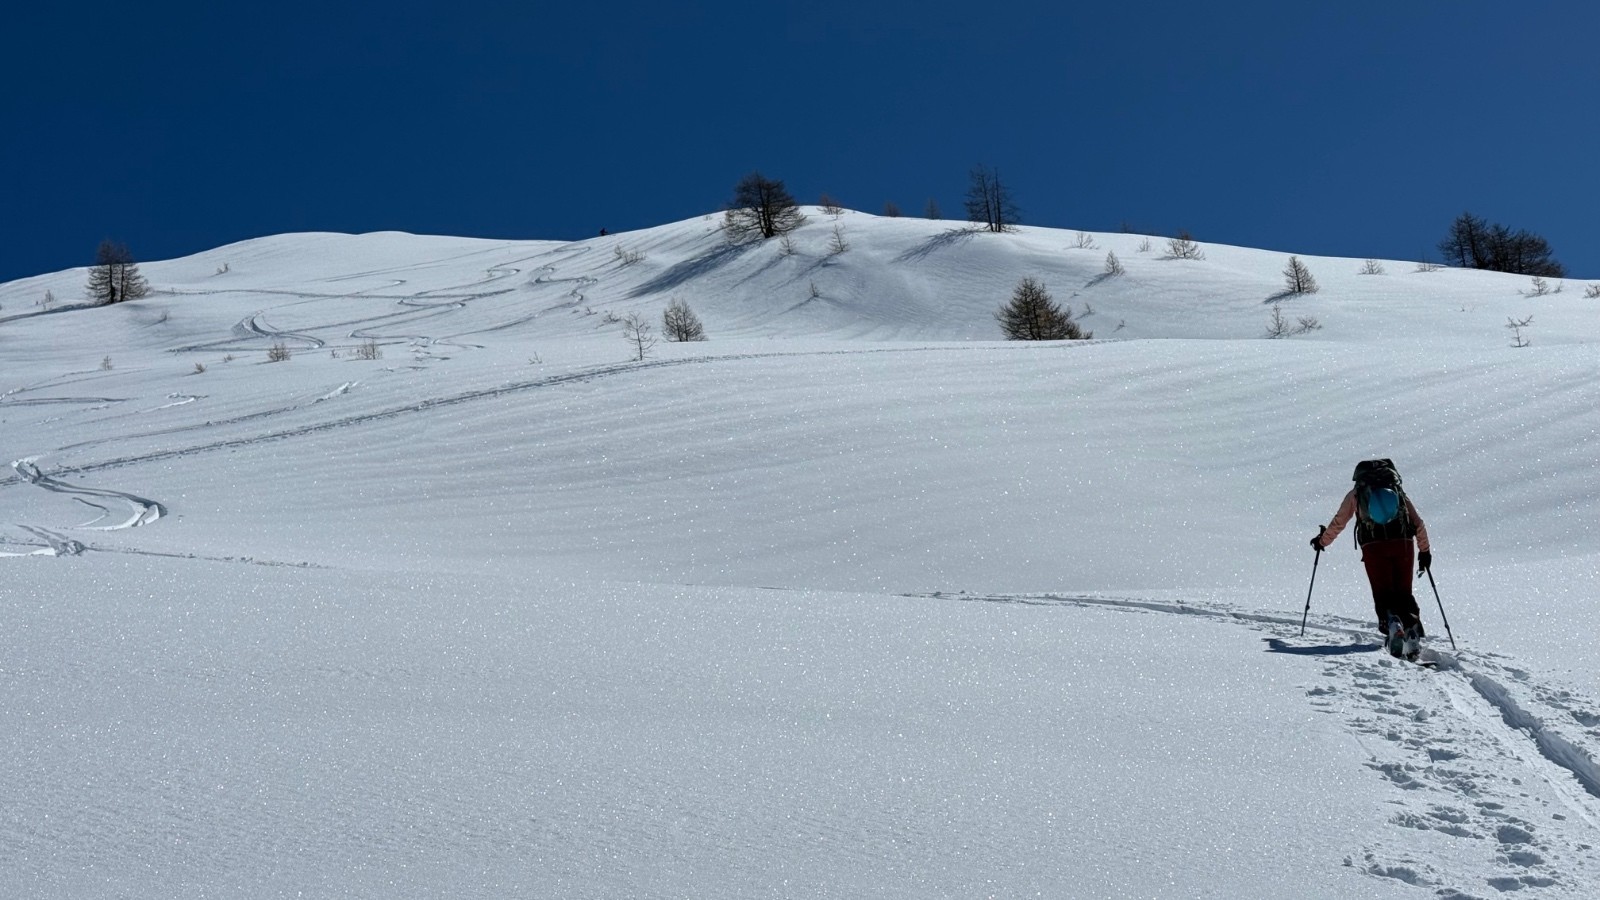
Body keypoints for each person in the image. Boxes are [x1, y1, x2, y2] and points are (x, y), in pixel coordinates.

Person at [1311, 460, 1432, 658]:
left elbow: (1339, 522)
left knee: (1382, 592)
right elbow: (1418, 523)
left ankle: (1393, 626)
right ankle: (1412, 631)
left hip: (1373, 547)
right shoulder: (1397, 491)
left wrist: (1322, 541)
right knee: (1404, 591)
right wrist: (1424, 551)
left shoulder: (1357, 494)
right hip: (1403, 544)